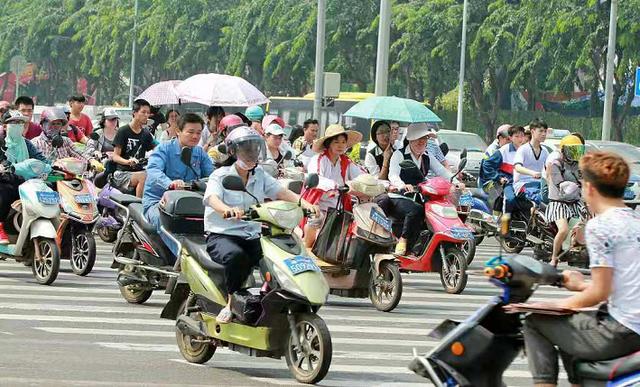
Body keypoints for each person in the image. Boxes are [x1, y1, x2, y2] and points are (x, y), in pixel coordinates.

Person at [523, 151, 640, 387]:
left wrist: (554, 305)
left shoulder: (599, 226)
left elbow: (599, 294)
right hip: (631, 325)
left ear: (589, 188)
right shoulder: (635, 222)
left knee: (534, 322)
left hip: (621, 330)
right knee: (570, 327)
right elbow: (623, 283)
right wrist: (579, 286)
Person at [203, 126, 318, 323]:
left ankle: (270, 302)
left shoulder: (260, 175)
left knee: (281, 257)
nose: (251, 154)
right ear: (233, 151)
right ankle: (230, 303)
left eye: (255, 149)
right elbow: (212, 198)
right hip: (223, 234)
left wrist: (304, 203)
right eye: (245, 149)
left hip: (252, 234)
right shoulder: (221, 175)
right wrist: (226, 210)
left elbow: (281, 192)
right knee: (235, 256)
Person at [386, 122, 463, 255]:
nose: (421, 142)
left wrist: (455, 182)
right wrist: (402, 185)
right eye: (418, 139)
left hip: (420, 194)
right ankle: (403, 240)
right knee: (416, 210)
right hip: (400, 196)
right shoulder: (399, 155)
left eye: (424, 138)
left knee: (437, 209)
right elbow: (393, 174)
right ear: (410, 140)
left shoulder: (427, 156)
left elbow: (442, 171)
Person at [143, 113, 213, 254]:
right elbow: (153, 170)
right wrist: (170, 183)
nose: (195, 136)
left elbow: (212, 174)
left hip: (191, 203)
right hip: (159, 202)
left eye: (198, 133)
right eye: (190, 132)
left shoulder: (199, 153)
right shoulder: (164, 149)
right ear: (178, 131)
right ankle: (182, 258)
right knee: (163, 222)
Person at [303, 124, 364, 248]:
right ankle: (307, 249)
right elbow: (317, 178)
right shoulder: (318, 159)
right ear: (329, 143)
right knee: (315, 219)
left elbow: (361, 175)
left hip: (338, 206)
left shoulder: (346, 161)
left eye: (343, 142)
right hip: (318, 204)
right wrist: (335, 186)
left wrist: (376, 184)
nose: (340, 145)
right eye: (336, 142)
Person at [0, 111, 47, 244]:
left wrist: (54, 166)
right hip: (5, 180)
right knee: (4, 191)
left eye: (20, 122)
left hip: (26, 181)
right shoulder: (1, 142)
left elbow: (41, 159)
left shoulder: (27, 144)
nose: (18, 125)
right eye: (14, 122)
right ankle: (0, 227)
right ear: (4, 126)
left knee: (49, 189)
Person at [545, 135, 588, 266]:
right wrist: (573, 185)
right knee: (563, 229)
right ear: (564, 150)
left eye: (578, 151)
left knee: (590, 224)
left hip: (575, 202)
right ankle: (554, 258)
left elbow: (585, 180)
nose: (576, 154)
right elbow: (560, 184)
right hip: (558, 203)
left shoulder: (579, 165)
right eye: (572, 150)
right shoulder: (556, 164)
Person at [111, 99, 155, 197]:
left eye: (148, 113)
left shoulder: (146, 133)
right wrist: (128, 162)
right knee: (143, 177)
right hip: (122, 173)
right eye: (143, 112)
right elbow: (115, 156)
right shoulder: (123, 131)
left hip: (140, 171)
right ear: (134, 113)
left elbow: (156, 149)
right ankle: (139, 207)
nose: (146, 115)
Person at [479, 125, 527, 212]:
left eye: (522, 136)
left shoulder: (526, 150)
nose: (520, 139)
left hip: (523, 182)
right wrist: (498, 178)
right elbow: (487, 165)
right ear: (510, 137)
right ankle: (503, 222)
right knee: (508, 199)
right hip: (503, 183)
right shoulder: (501, 150)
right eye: (516, 136)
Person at [513, 118, 549, 201]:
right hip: (523, 184)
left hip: (540, 185)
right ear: (532, 131)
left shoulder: (545, 151)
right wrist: (532, 173)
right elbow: (517, 167)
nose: (544, 134)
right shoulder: (523, 149)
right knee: (538, 198)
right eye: (541, 131)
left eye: (545, 131)